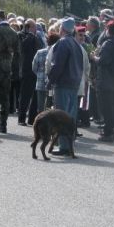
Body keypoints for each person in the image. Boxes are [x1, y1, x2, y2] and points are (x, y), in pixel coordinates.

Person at [47, 17, 83, 156]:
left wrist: (50, 80)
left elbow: (57, 65)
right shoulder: (76, 44)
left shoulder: (62, 43)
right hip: (74, 84)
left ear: (62, 29)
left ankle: (64, 146)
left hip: (63, 84)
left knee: (61, 116)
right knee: (70, 116)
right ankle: (69, 144)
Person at [94, 20, 114, 142]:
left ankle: (108, 133)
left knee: (107, 108)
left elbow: (103, 61)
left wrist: (94, 57)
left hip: (107, 81)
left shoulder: (108, 44)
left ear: (108, 30)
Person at [18, 19, 41, 126]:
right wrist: (31, 36)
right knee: (25, 95)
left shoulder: (35, 37)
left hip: (33, 70)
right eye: (34, 27)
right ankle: (21, 118)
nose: (36, 29)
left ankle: (31, 119)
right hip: (27, 69)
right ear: (29, 27)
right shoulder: (22, 36)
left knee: (34, 96)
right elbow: (21, 48)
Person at [32, 33, 59, 113]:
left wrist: (39, 74)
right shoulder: (57, 53)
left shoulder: (40, 52)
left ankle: (41, 122)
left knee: (40, 106)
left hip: (40, 81)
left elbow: (34, 67)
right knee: (51, 106)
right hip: (53, 82)